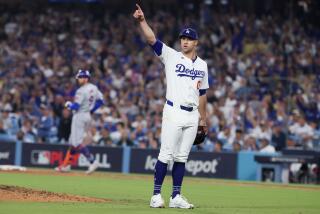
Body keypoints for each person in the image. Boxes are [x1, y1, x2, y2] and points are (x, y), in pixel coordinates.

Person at [133, 4, 209, 209]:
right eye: (183, 38)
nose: (184, 41)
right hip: (173, 111)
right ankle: (156, 195)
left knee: (182, 157)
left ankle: (176, 196)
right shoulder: (171, 56)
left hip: (192, 114)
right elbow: (151, 39)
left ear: (196, 42)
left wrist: (203, 119)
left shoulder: (202, 65)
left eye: (189, 39)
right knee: (165, 155)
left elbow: (202, 94)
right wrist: (142, 21)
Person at [55, 69, 104, 174]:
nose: (79, 79)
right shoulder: (94, 88)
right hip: (87, 115)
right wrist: (91, 110)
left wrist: (68, 105)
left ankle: (93, 161)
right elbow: (101, 101)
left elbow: (76, 106)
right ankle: (66, 165)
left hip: (80, 116)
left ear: (86, 78)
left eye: (81, 77)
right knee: (73, 142)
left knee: (77, 142)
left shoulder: (81, 91)